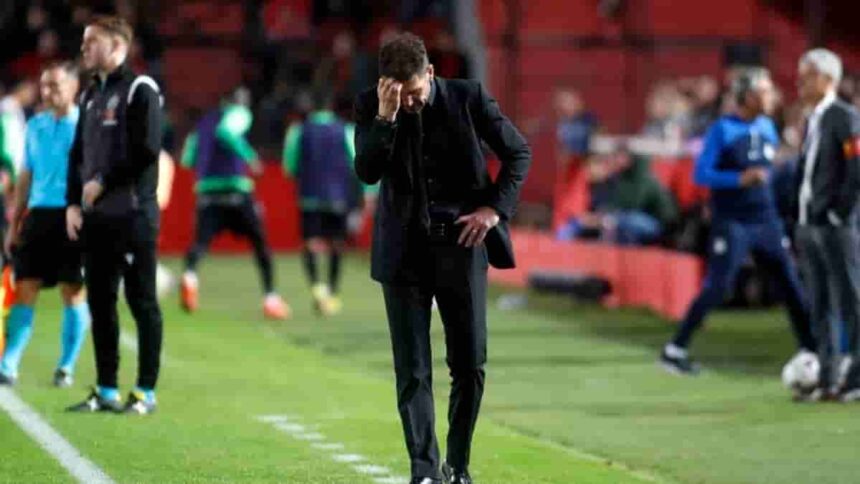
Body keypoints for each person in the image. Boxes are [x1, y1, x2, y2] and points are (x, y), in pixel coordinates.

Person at [354, 33, 531, 484]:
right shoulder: (373, 105)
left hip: (463, 246)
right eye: (401, 95)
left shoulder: (469, 98)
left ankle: (458, 465)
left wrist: (494, 209)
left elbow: (518, 152)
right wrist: (386, 118)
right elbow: (368, 172)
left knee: (470, 364)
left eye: (415, 93)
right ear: (385, 84)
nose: (411, 102)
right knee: (412, 370)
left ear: (430, 73)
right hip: (403, 253)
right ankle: (424, 471)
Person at [659, 68, 816, 375]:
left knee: (790, 283)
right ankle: (674, 349)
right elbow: (702, 174)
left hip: (766, 218)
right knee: (719, 286)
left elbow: (768, 166)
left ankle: (811, 350)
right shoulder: (722, 130)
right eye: (764, 91)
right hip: (734, 220)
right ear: (747, 96)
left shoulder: (768, 126)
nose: (771, 96)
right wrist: (738, 179)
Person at [65, 15, 164, 415]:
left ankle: (145, 392)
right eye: (84, 41)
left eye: (92, 41)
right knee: (100, 303)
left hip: (133, 215)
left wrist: (103, 181)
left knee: (142, 302)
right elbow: (78, 154)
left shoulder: (141, 89)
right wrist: (73, 203)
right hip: (96, 218)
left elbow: (147, 149)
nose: (84, 48)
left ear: (118, 46)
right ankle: (106, 389)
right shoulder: (90, 94)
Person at [0, 62, 90, 388]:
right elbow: (26, 174)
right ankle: (9, 364)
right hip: (38, 215)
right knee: (25, 287)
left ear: (74, 87)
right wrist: (15, 222)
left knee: (72, 292)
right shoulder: (35, 125)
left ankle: (66, 366)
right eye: (44, 86)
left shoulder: (86, 125)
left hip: (74, 215)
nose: (48, 92)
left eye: (55, 85)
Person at [179, 87, 291, 320]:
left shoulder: (203, 123)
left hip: (207, 191)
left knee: (200, 243)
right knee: (260, 244)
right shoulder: (238, 113)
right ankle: (270, 299)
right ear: (237, 101)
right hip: (235, 189)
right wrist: (251, 157)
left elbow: (188, 159)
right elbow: (227, 133)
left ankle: (190, 276)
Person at [793, 49, 860, 402]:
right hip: (810, 223)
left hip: (834, 226)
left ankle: (857, 379)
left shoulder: (844, 116)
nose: (800, 82)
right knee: (820, 305)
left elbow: (857, 168)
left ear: (828, 79)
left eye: (807, 75)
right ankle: (829, 380)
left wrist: (839, 213)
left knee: (851, 301)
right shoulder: (814, 119)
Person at [283, 91, 366, 315]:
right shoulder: (345, 130)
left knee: (310, 242)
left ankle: (317, 289)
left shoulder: (298, 130)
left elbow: (289, 166)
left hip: (309, 196)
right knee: (336, 243)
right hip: (338, 197)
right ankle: (332, 291)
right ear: (331, 107)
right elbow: (356, 162)